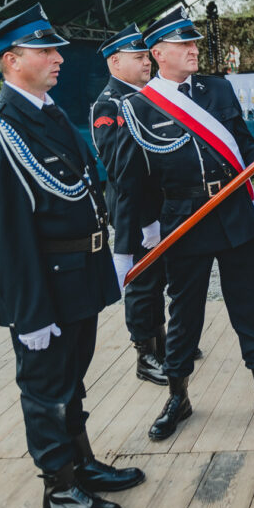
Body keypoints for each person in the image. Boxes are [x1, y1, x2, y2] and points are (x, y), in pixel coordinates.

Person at [0, 4, 143, 508]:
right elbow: (4, 234)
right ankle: (59, 489)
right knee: (45, 389)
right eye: (45, 51)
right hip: (44, 285)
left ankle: (81, 463)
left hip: (78, 276)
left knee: (72, 379)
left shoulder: (50, 112)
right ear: (11, 60)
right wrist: (30, 313)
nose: (58, 58)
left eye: (56, 50)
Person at [113, 6, 254, 440]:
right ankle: (177, 397)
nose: (194, 49)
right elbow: (132, 180)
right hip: (185, 221)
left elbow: (243, 144)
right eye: (183, 43)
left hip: (234, 212)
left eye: (194, 42)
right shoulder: (138, 107)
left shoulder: (218, 88)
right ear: (158, 53)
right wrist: (144, 229)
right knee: (185, 314)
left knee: (248, 307)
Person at [91, 24, 200, 388]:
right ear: (114, 62)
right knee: (143, 283)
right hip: (136, 210)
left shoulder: (151, 95)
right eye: (137, 57)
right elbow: (120, 168)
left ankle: (165, 343)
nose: (146, 62)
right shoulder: (109, 105)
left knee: (164, 277)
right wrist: (144, 219)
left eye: (146, 56)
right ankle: (145, 354)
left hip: (164, 205)